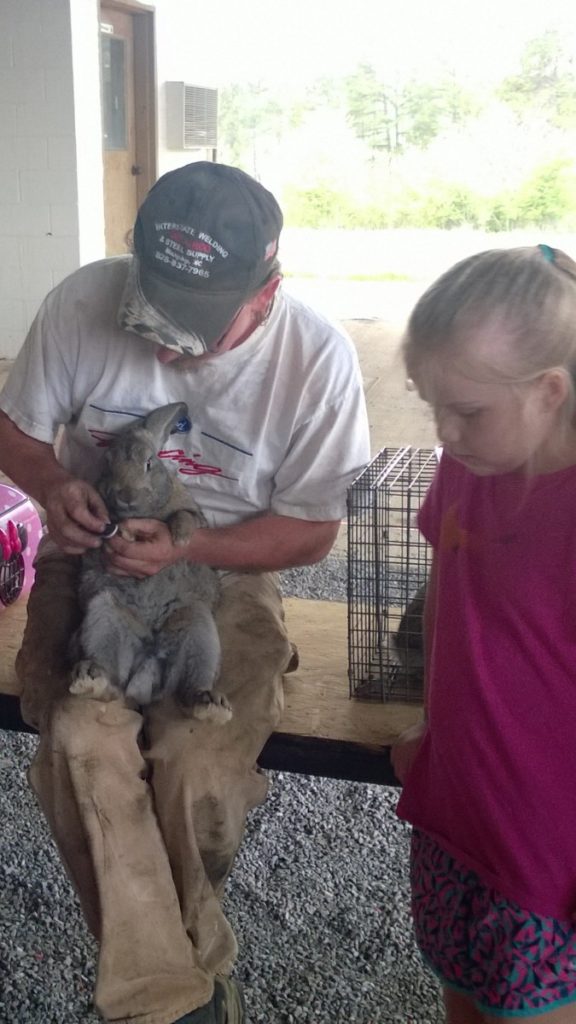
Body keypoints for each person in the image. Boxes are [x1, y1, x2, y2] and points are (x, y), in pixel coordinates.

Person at [0, 161, 370, 1024]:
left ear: (266, 292)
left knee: (198, 761)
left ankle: (166, 978)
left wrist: (189, 545)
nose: (164, 351)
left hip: (225, 571)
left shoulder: (315, 359)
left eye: (192, 332)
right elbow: (14, 431)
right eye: (151, 319)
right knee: (80, 745)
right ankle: (185, 988)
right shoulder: (80, 301)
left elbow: (314, 531)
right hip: (88, 559)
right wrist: (56, 487)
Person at [391, 244, 576, 1023]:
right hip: (458, 807)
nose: (447, 431)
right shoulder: (470, 466)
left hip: (547, 846)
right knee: (461, 994)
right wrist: (434, 724)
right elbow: (448, 598)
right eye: (432, 405)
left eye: (468, 411)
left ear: (549, 391)